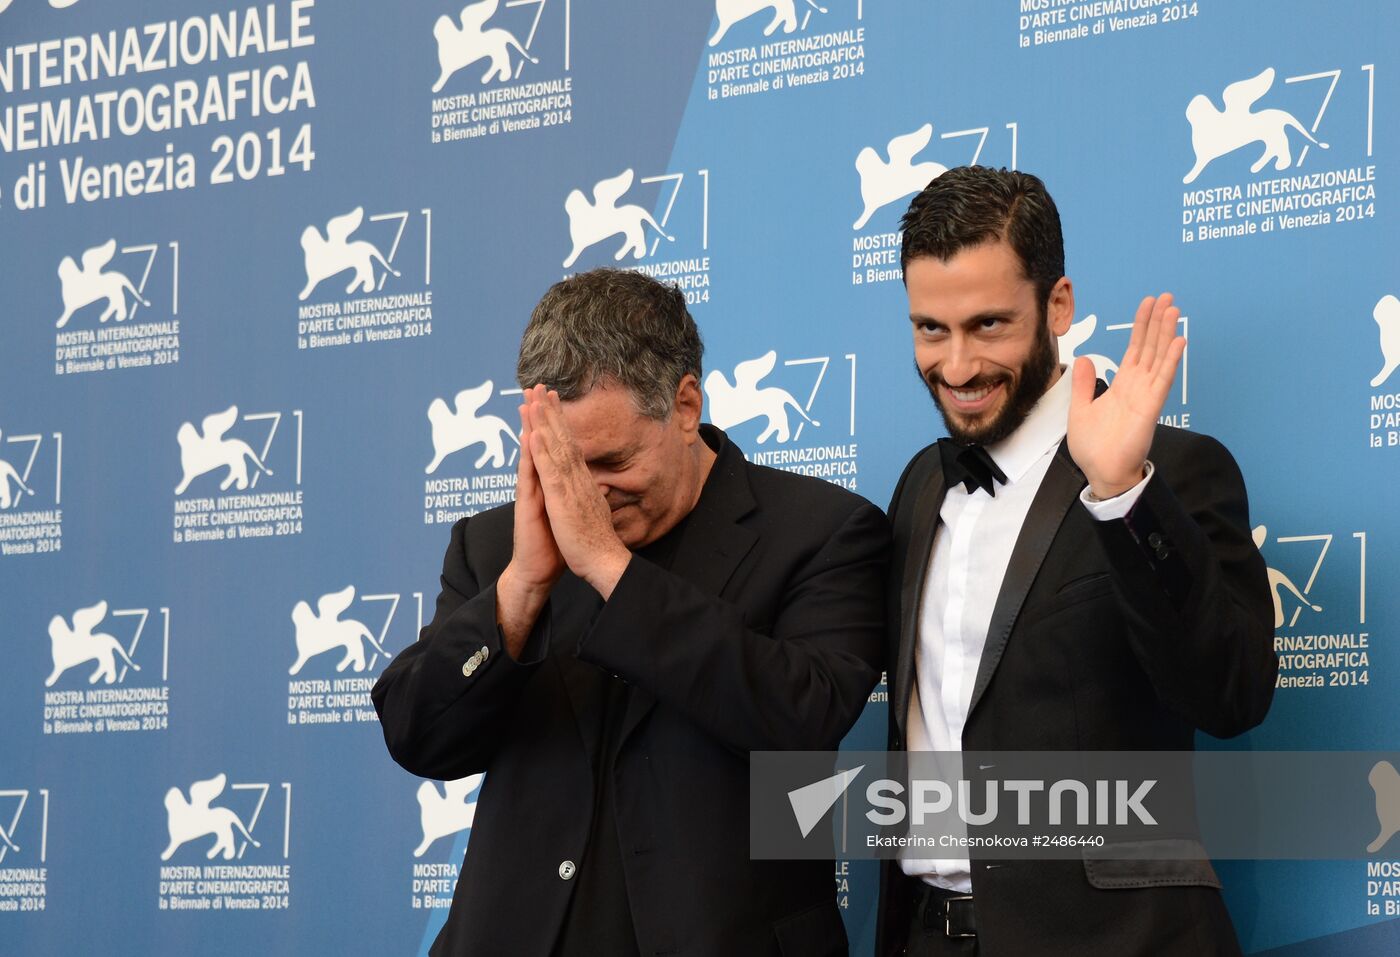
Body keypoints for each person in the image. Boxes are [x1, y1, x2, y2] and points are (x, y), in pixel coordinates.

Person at [373, 268, 889, 957]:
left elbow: (802, 718)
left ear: (684, 405)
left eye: (612, 461)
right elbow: (418, 734)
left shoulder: (822, 530)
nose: (586, 495)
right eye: (564, 465)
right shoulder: (497, 543)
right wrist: (523, 585)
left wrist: (609, 569)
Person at [875, 167, 1277, 956]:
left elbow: (1231, 692)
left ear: (1058, 305)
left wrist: (1122, 491)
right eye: (930, 329)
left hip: (1115, 938)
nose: (956, 367)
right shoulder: (921, 487)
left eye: (989, 325)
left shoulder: (1172, 472)